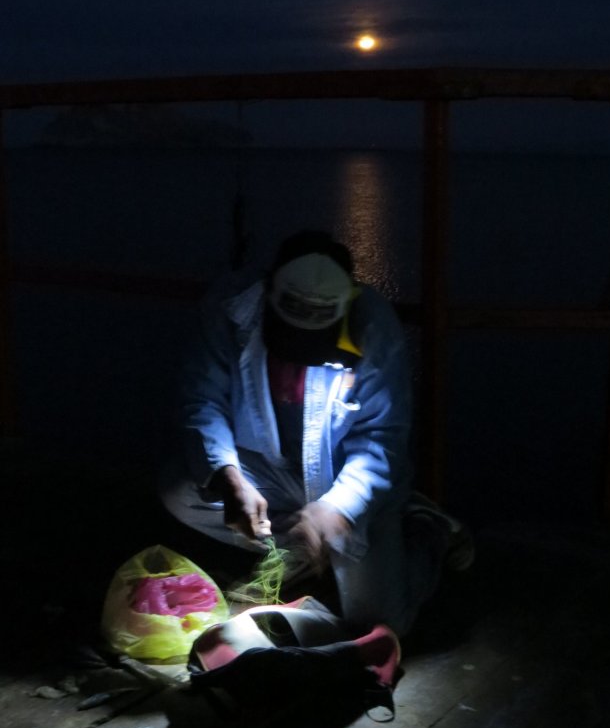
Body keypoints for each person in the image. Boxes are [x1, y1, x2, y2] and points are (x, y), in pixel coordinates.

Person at [160, 230, 473, 638]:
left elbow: (381, 439)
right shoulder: (231, 308)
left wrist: (338, 509)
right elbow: (203, 402)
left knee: (375, 623)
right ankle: (304, 544)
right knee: (179, 491)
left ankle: (429, 530)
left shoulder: (372, 326)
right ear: (268, 297)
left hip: (347, 481)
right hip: (270, 470)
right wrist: (229, 477)